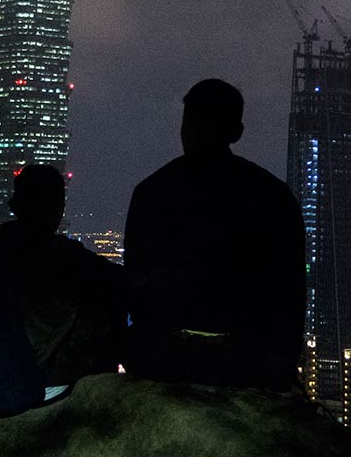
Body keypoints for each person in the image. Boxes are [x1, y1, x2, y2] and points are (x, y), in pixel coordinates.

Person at [123, 78, 306, 390]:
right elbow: (291, 294)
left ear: (185, 127)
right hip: (250, 363)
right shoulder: (273, 196)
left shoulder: (152, 192)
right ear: (237, 132)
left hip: (166, 360)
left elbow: (134, 285)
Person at [0, 164, 130, 427]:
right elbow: (124, 285)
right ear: (58, 207)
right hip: (47, 386)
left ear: (15, 204)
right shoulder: (67, 257)